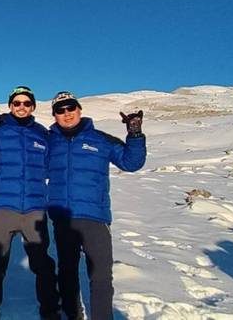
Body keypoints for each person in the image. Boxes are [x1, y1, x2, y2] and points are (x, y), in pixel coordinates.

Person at [47, 91, 146, 320]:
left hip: (95, 218)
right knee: (67, 273)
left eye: (70, 107)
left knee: (100, 276)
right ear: (55, 115)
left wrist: (135, 134)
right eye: (60, 110)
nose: (66, 113)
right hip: (63, 218)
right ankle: (73, 315)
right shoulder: (50, 142)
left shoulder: (100, 139)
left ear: (79, 110)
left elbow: (131, 163)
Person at [0, 86, 61, 320]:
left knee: (42, 263)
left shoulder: (42, 135)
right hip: (3, 207)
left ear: (33, 106)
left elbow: (51, 166)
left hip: (34, 208)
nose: (22, 107)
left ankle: (50, 311)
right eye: (17, 103)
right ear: (10, 106)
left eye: (26, 103)